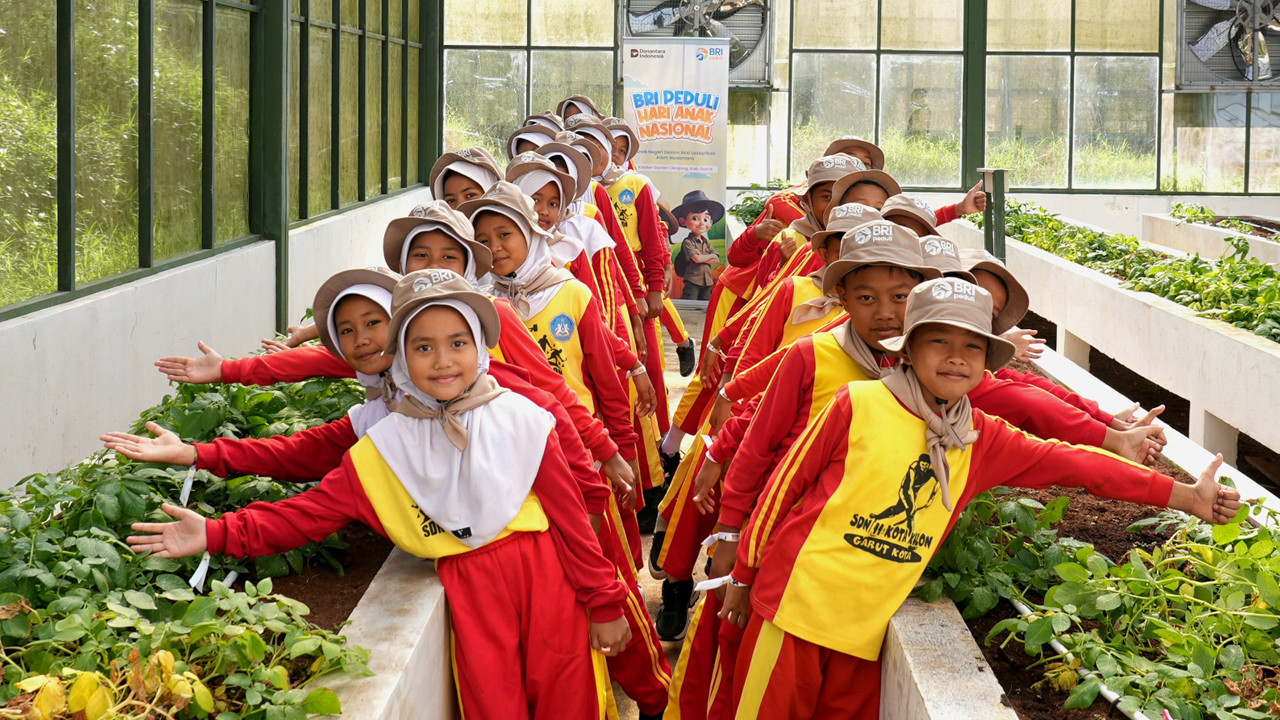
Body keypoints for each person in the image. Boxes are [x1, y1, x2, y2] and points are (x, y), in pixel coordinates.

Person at [717, 278, 1240, 719]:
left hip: (864, 630)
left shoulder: (981, 438)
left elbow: (1077, 464)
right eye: (938, 341)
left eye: (972, 346)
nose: (955, 357)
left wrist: (1184, 496)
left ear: (987, 361)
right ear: (909, 347)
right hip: (792, 611)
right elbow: (782, 492)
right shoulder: (857, 403)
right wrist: (742, 576)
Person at [126, 271, 635, 719]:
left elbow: (572, 521)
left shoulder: (524, 419)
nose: (442, 361)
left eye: (458, 343)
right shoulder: (384, 446)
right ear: (402, 356)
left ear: (480, 346)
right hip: (472, 588)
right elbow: (309, 513)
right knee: (490, 705)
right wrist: (215, 532)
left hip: (548, 580)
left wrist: (605, 602)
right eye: (422, 347)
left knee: (568, 701)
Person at [671, 190, 726, 301]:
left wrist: (702, 258)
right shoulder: (688, 242)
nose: (701, 223)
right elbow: (696, 258)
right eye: (695, 218)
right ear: (683, 221)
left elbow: (716, 259)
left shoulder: (706, 242)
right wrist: (706, 258)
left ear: (710, 222)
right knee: (689, 302)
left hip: (707, 280)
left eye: (705, 219)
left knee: (706, 304)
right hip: (693, 280)